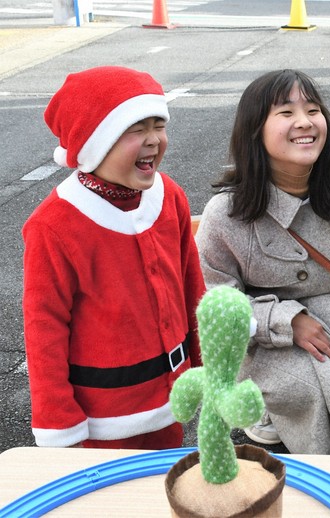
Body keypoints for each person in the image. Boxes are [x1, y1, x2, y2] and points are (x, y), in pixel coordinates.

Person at [194, 69, 330, 456]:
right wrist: (287, 321)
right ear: (255, 130)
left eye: (313, 109)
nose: (304, 122)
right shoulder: (226, 213)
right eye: (285, 112)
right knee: (301, 383)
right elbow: (211, 303)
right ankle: (290, 432)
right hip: (259, 335)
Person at [22, 66, 206, 449]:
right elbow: (45, 329)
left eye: (159, 124)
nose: (154, 140)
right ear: (94, 142)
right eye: (136, 129)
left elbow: (192, 287)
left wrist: (208, 367)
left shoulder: (168, 195)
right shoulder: (53, 225)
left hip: (172, 398)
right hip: (100, 420)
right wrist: (60, 423)